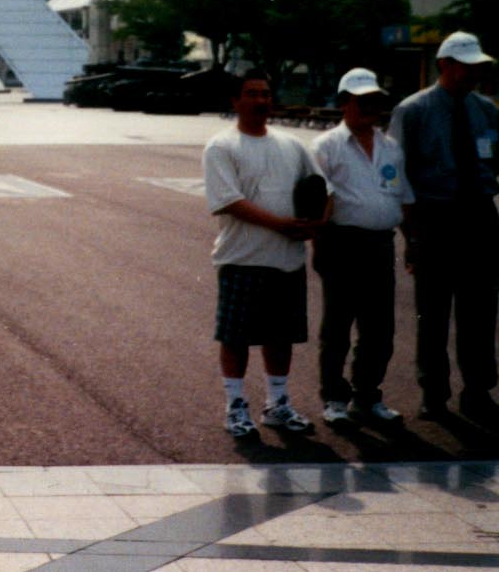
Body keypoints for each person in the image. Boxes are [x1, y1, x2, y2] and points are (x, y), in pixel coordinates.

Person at [205, 67, 323, 437]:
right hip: (243, 258)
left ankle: (277, 404)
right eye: (252, 94)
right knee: (236, 338)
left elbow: (323, 188)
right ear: (235, 101)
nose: (261, 101)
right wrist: (281, 224)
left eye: (266, 94)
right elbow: (229, 201)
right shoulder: (221, 146)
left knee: (281, 337)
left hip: (287, 260)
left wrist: (315, 224)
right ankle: (235, 407)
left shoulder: (292, 145)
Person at [388, 30, 499, 423]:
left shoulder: (486, 110)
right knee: (432, 312)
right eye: (467, 67)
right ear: (444, 65)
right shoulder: (412, 111)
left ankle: (478, 390)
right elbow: (396, 175)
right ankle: (433, 393)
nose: (474, 74)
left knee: (480, 311)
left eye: (478, 67)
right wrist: (411, 235)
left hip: (480, 216)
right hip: (435, 217)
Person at [309, 67, 412, 426]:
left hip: (380, 245)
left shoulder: (391, 147)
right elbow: (318, 201)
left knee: (380, 328)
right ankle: (335, 398)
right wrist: (319, 246)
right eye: (362, 101)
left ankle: (367, 395)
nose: (371, 108)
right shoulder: (325, 146)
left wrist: (412, 241)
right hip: (342, 243)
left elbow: (403, 197)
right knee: (337, 327)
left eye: (376, 101)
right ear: (343, 103)